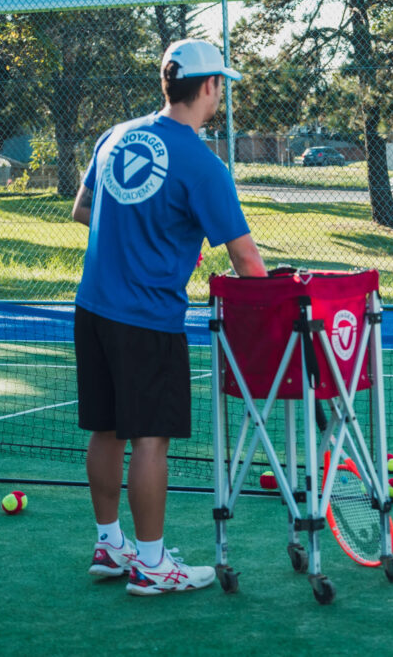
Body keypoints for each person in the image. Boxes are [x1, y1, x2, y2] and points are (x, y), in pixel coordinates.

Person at [72, 39, 267, 595]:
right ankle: (153, 564)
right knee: (150, 438)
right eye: (221, 84)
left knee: (106, 428)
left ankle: (111, 545)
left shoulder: (115, 136)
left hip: (92, 308)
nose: (221, 93)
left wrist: (144, 235)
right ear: (208, 87)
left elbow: (84, 208)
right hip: (146, 317)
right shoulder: (203, 165)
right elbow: (247, 260)